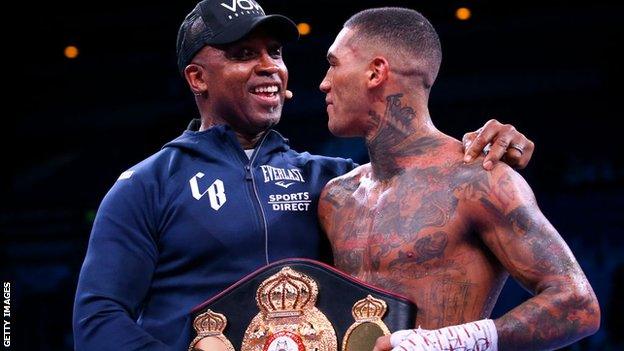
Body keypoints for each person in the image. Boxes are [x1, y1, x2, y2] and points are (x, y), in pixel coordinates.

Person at [72, 1, 535, 350]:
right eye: (243, 53)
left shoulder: (333, 184)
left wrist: (484, 146)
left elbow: (427, 180)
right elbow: (98, 319)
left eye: (274, 51)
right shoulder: (146, 185)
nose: (270, 65)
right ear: (198, 78)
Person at [317, 7, 600, 351]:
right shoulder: (337, 197)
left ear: (376, 72)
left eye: (333, 63)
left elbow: (578, 305)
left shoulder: (476, 181)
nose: (324, 82)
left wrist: (450, 342)